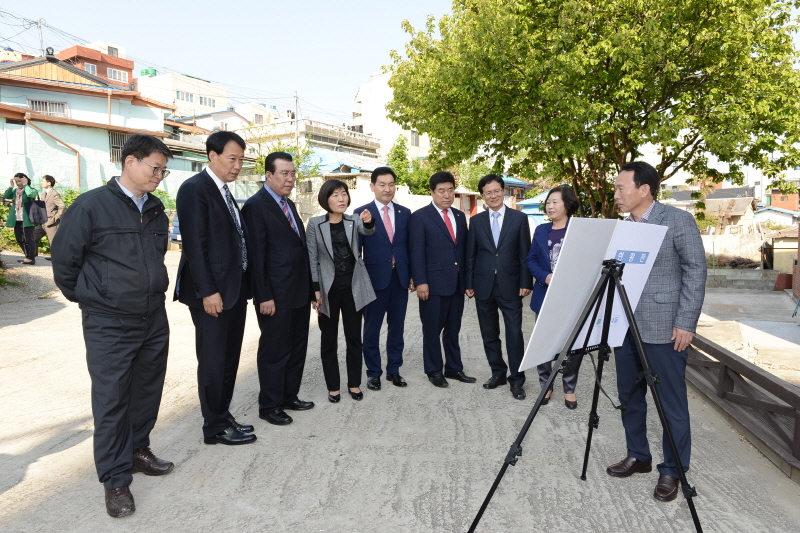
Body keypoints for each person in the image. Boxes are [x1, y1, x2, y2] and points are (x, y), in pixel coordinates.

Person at [51, 134, 174, 518]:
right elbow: (64, 264)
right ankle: (115, 479)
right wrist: (96, 299)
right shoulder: (92, 206)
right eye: (155, 167)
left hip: (153, 317)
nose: (160, 175)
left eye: (163, 170)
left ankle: (138, 449)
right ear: (130, 162)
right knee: (111, 400)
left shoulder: (156, 209)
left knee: (146, 391)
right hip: (109, 322)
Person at [606, 161, 706, 503]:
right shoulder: (621, 229)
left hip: (666, 327)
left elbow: (696, 271)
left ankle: (672, 470)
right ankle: (639, 455)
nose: (616, 194)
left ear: (644, 189)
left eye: (621, 188)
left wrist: (686, 322)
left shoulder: (677, 221)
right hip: (625, 326)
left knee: (671, 403)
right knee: (629, 396)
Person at [174, 131, 256, 446]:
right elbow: (195, 245)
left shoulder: (224, 190)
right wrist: (208, 291)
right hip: (212, 293)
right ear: (212, 155)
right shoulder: (194, 189)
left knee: (229, 357)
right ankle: (214, 427)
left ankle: (223, 414)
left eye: (241, 159)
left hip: (233, 290)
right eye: (232, 158)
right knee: (213, 359)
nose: (237, 165)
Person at [241, 152, 315, 426]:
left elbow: (299, 250)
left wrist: (310, 290)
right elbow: (257, 257)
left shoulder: (289, 204)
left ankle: (288, 396)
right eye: (284, 173)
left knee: (297, 347)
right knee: (275, 350)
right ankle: (269, 405)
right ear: (268, 175)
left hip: (297, 291)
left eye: (293, 173)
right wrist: (264, 295)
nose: (290, 179)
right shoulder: (256, 206)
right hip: (275, 295)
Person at [307, 179, 376, 402]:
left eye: (344, 194)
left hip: (353, 288)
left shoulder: (353, 220)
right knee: (329, 340)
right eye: (335, 195)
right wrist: (315, 289)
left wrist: (369, 220)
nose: (341, 199)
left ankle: (354, 384)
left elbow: (369, 230)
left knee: (354, 338)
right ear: (325, 199)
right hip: (328, 290)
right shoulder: (315, 223)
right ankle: (333, 387)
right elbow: (312, 258)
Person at [466, 174, 533, 400]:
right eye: (488, 192)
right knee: (489, 333)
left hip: (511, 285)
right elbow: (471, 255)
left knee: (514, 333)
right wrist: (469, 283)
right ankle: (498, 373)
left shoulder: (519, 219)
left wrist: (526, 282)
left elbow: (525, 254)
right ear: (483, 196)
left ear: (503, 191)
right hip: (483, 285)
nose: (493, 195)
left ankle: (517, 380)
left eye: (496, 191)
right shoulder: (476, 221)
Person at [408, 171, 476, 387]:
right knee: (432, 330)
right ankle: (434, 371)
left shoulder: (458, 216)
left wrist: (467, 282)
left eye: (450, 190)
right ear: (432, 192)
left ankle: (454, 368)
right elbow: (416, 251)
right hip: (432, 285)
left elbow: (463, 251)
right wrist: (420, 281)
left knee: (453, 330)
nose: (446, 195)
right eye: (441, 191)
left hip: (456, 284)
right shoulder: (419, 217)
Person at [353, 167, 414, 390]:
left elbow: (410, 247)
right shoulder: (361, 213)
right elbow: (356, 253)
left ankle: (394, 370)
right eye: (382, 184)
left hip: (399, 278)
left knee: (396, 327)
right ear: (372, 187)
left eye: (391, 184)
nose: (387, 189)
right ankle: (373, 372)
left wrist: (412, 275)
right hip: (373, 280)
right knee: (371, 329)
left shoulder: (404, 213)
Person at [526, 185, 583, 408]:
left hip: (572, 298)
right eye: (548, 202)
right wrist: (545, 276)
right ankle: (546, 386)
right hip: (545, 295)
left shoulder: (579, 229)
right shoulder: (541, 230)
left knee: (571, 346)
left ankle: (569, 388)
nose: (550, 206)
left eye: (555, 202)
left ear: (567, 204)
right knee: (544, 344)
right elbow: (531, 259)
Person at [4, 173, 38, 265]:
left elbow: (31, 194)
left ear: (25, 180)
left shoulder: (31, 190)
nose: (19, 183)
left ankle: (31, 258)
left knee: (28, 239)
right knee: (19, 238)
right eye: (17, 181)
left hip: (27, 219)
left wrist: (26, 184)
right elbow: (6, 195)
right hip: (17, 219)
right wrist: (11, 185)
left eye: (20, 181)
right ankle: (28, 255)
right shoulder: (15, 191)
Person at [32, 175, 65, 260]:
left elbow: (62, 206)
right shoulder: (44, 193)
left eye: (43, 181)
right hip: (43, 220)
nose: (41, 183)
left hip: (51, 221)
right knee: (34, 235)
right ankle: (33, 255)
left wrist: (55, 218)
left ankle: (56, 258)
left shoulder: (54, 194)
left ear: (49, 183)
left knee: (53, 241)